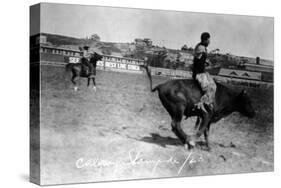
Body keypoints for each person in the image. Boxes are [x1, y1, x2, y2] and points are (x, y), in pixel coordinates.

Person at [192, 32, 217, 113]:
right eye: (208, 40)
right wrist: (203, 63)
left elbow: (199, 59)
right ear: (205, 40)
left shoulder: (201, 47)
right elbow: (197, 60)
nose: (209, 42)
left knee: (213, 85)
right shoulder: (201, 48)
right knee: (210, 88)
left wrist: (205, 62)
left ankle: (208, 102)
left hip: (202, 72)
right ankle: (201, 105)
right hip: (199, 73)